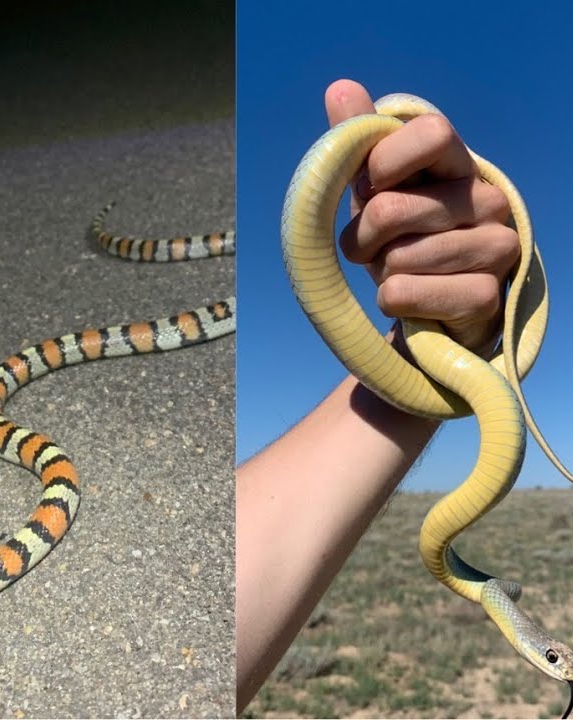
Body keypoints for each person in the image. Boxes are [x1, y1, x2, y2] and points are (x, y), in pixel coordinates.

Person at [234, 78, 522, 711]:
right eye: (548, 656)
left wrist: (442, 351)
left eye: (551, 657)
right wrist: (439, 359)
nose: (549, 663)